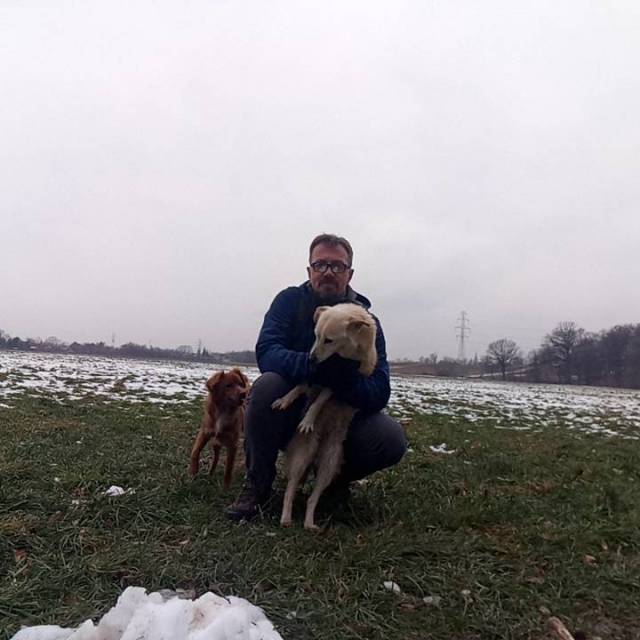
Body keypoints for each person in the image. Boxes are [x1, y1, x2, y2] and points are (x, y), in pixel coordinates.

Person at [226, 233, 407, 521]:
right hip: (291, 409)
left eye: (337, 266)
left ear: (349, 274)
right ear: (309, 270)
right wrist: (313, 368)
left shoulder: (366, 324)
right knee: (266, 387)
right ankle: (258, 484)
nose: (328, 272)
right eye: (320, 265)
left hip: (337, 415)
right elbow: (268, 351)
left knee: (390, 438)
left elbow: (379, 391)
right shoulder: (289, 302)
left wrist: (344, 379)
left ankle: (332, 482)